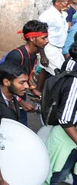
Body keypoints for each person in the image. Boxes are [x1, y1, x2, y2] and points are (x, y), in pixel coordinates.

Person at [45, 51, 77, 184]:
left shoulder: (71, 64)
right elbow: (65, 119)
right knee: (56, 176)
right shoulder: (75, 81)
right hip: (67, 138)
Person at [39, 0, 71, 77]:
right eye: (66, 4)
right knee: (60, 74)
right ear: (57, 2)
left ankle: (39, 89)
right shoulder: (47, 16)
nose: (68, 6)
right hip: (50, 48)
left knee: (46, 71)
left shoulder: (62, 14)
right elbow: (39, 35)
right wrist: (43, 56)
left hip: (58, 48)